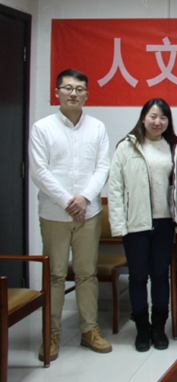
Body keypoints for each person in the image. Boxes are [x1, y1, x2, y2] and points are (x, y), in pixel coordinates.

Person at [29, 68, 112, 360]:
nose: (73, 93)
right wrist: (68, 201)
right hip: (55, 213)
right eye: (67, 88)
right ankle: (51, 334)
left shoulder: (97, 128)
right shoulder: (42, 128)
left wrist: (85, 198)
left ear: (87, 94)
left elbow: (103, 166)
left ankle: (90, 330)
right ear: (57, 93)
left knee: (87, 273)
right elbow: (39, 171)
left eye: (79, 89)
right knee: (55, 274)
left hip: (89, 213)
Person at [107, 98, 177, 352]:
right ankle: (142, 328)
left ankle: (159, 327)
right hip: (136, 224)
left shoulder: (173, 147)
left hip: (165, 223)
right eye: (153, 116)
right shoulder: (127, 147)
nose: (157, 122)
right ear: (143, 118)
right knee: (138, 277)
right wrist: (118, 225)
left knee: (160, 276)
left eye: (163, 118)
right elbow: (115, 188)